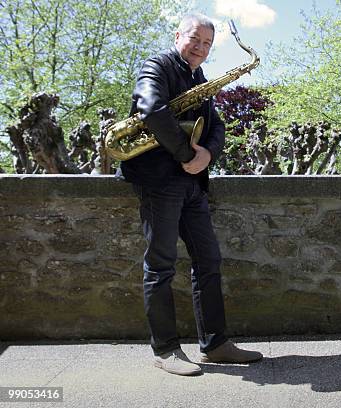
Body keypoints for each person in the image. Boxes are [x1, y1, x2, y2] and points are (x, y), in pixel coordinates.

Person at [117, 13, 262, 376]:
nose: (200, 48)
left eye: (208, 44)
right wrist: (187, 155)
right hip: (159, 182)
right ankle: (165, 350)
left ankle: (215, 344)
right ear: (178, 34)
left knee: (209, 260)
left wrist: (207, 156)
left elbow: (217, 128)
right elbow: (151, 109)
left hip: (191, 185)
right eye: (195, 39)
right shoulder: (158, 66)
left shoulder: (200, 77)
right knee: (161, 265)